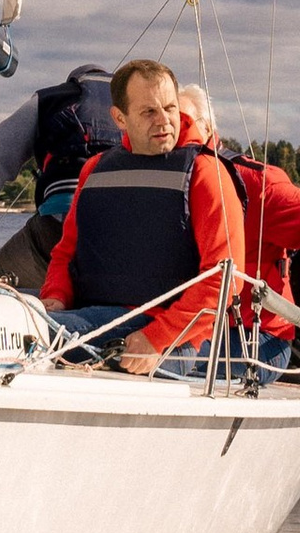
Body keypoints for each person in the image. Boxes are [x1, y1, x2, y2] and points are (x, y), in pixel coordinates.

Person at [40, 58, 243, 374]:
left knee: (29, 331)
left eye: (170, 108)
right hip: (93, 316)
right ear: (120, 118)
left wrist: (157, 337)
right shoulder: (94, 171)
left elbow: (224, 279)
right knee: (13, 317)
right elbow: (66, 252)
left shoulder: (205, 173)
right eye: (149, 111)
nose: (164, 120)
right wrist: (54, 296)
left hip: (170, 338)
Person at [178, 85, 300, 371]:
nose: (167, 130)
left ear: (206, 128)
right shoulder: (155, 180)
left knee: (167, 356)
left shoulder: (253, 186)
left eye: (183, 123)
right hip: (181, 319)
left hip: (253, 334)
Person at [0, 61, 122, 294]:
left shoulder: (51, 100)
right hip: (126, 232)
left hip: (58, 225)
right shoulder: (140, 106)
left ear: (74, 81)